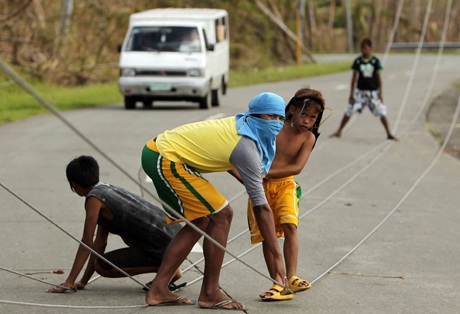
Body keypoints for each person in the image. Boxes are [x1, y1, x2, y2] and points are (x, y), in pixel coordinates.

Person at [141, 92, 289, 309]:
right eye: (270, 117)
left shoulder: (242, 124)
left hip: (162, 152)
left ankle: (159, 289)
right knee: (222, 215)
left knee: (201, 220)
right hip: (165, 157)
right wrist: (277, 256)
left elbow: (223, 153)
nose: (276, 123)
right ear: (255, 114)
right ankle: (209, 292)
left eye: (280, 118)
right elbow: (261, 206)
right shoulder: (246, 145)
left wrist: (246, 179)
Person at [236, 88, 325, 301]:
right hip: (261, 187)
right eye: (304, 114)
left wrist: (266, 172)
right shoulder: (275, 127)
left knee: (290, 225)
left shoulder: (309, 138)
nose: (307, 121)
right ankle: (278, 283)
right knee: (269, 236)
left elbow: (297, 168)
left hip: (286, 185)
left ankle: (291, 276)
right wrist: (256, 173)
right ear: (292, 110)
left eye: (313, 117)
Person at [47, 155, 182, 293]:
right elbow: (99, 244)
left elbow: (87, 243)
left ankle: (167, 269)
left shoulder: (94, 200)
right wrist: (82, 281)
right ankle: (169, 266)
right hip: (179, 239)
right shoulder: (106, 190)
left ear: (73, 184)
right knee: (109, 253)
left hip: (166, 245)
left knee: (102, 267)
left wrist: (69, 282)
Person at [330, 37, 398, 140]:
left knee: (381, 111)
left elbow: (379, 79)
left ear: (370, 48)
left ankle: (389, 133)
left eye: (366, 48)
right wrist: (351, 93)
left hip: (372, 93)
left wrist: (380, 94)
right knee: (349, 110)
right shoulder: (358, 62)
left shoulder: (375, 62)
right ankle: (339, 130)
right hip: (360, 93)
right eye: (362, 48)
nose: (364, 50)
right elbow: (354, 78)